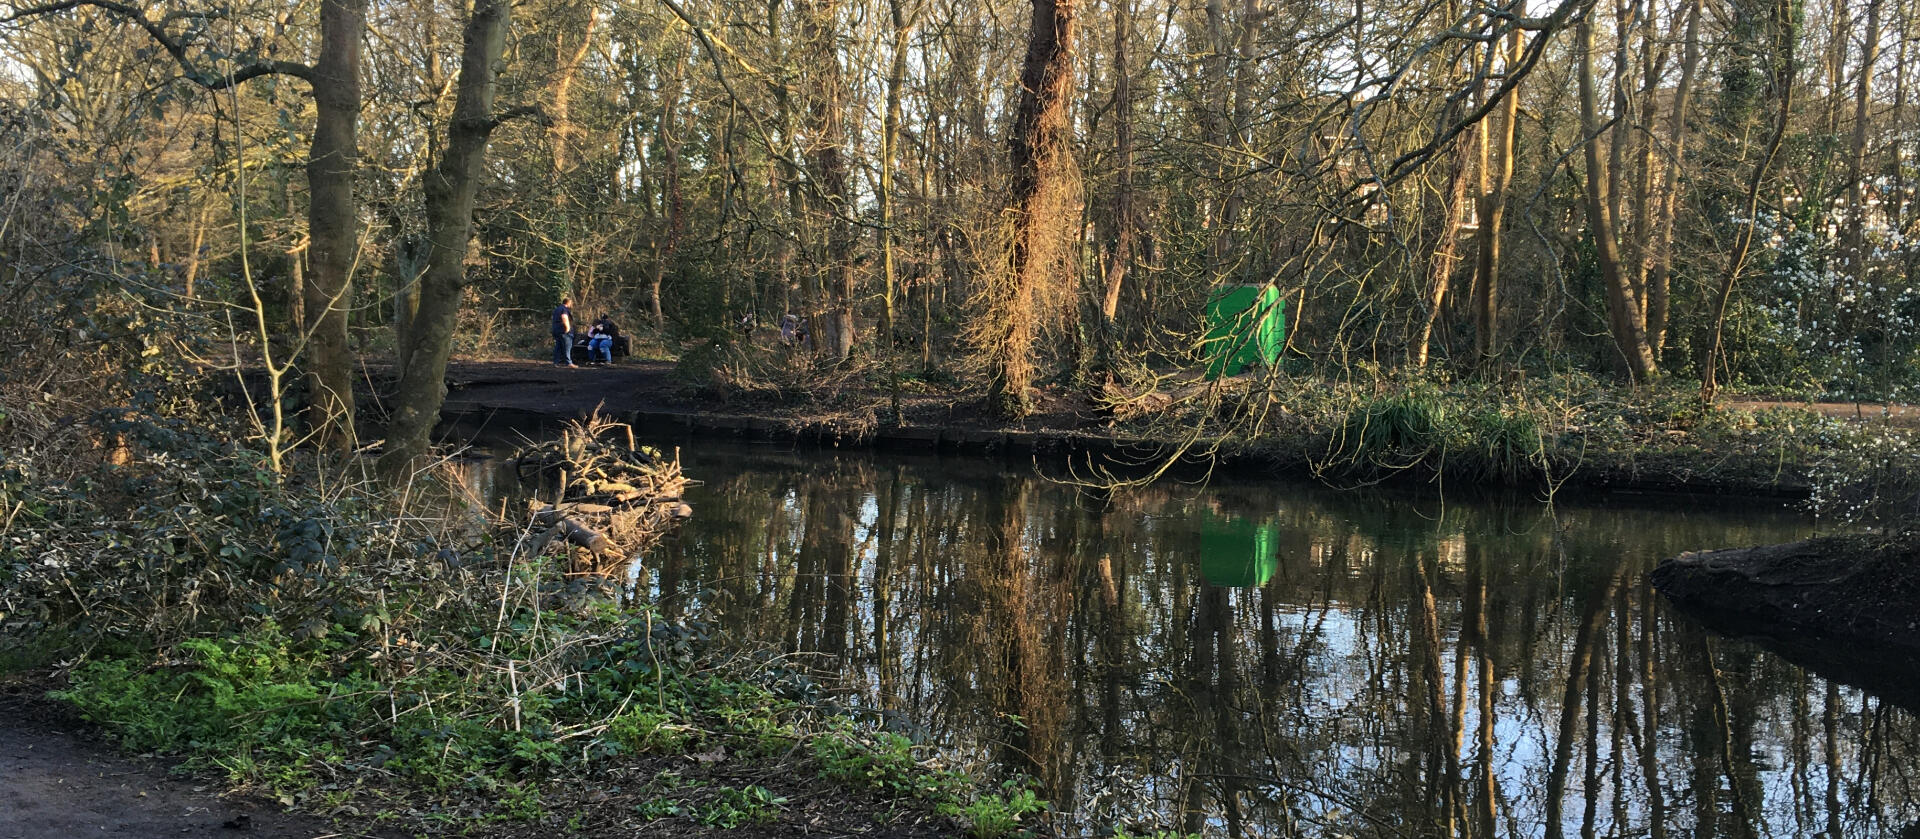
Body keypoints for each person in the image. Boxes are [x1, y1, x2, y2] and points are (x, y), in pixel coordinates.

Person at [550, 297, 576, 367]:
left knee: (558, 347)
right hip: (563, 331)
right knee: (567, 347)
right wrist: (567, 328)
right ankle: (569, 363)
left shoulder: (557, 309)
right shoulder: (564, 309)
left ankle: (555, 362)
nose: (571, 304)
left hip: (556, 330)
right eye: (571, 303)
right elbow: (564, 317)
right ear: (568, 302)